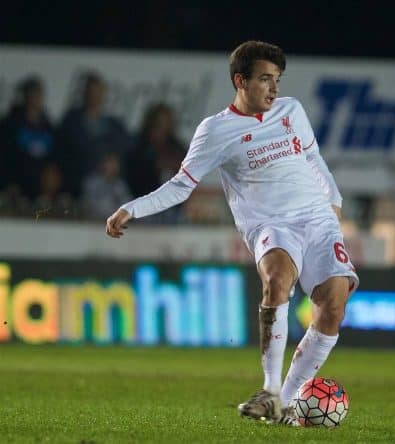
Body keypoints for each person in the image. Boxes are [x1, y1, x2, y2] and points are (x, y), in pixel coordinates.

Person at [105, 41, 358, 425]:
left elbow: (313, 159)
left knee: (334, 305)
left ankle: (284, 402)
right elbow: (180, 185)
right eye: (264, 79)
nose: (274, 88)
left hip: (318, 218)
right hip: (270, 223)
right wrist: (131, 208)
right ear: (240, 81)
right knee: (277, 280)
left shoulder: (292, 111)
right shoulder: (216, 130)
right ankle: (270, 390)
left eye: (277, 80)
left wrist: (334, 201)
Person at [58, 71, 130, 196]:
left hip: (110, 183)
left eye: (98, 91)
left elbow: (122, 149)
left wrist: (113, 162)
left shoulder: (114, 125)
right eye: (91, 91)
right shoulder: (72, 122)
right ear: (84, 93)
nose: (95, 95)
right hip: (81, 181)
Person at [0, 76, 57, 200]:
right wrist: (8, 182)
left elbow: (53, 157)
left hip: (41, 184)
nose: (35, 99)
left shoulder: (48, 125)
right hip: (16, 181)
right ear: (25, 96)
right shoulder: (10, 123)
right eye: (32, 94)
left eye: (38, 95)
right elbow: (6, 156)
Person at [82, 152, 132, 220]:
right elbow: (87, 203)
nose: (112, 167)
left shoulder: (120, 185)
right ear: (103, 164)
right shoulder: (92, 182)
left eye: (114, 164)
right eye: (109, 164)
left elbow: (128, 205)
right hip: (92, 221)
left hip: (114, 222)